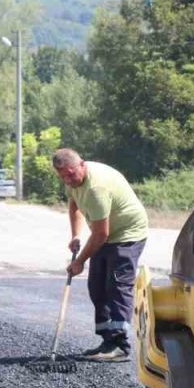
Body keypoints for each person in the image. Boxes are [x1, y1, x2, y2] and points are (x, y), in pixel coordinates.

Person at [53, 148, 149, 361]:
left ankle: (120, 346)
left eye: (71, 174)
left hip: (127, 234)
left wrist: (79, 261)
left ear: (82, 165)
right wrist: (76, 235)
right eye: (63, 177)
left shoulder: (96, 187)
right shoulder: (73, 183)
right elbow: (74, 205)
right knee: (97, 285)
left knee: (116, 285)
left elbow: (101, 234)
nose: (68, 180)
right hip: (106, 234)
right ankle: (107, 341)